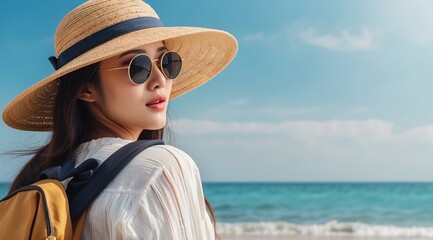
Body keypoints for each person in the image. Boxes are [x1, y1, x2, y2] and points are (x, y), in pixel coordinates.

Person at [2, 0, 237, 239]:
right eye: (138, 67)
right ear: (86, 88)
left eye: (167, 62)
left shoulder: (51, 178)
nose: (160, 79)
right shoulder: (160, 167)